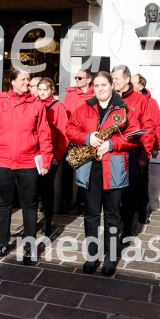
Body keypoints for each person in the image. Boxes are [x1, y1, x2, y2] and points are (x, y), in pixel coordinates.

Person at [68, 71, 144, 276]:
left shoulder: (125, 109)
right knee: (91, 214)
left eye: (104, 84)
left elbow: (134, 136)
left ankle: (110, 259)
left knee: (112, 215)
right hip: (90, 166)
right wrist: (87, 138)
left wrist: (112, 144)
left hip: (114, 166)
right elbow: (70, 129)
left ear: (112, 85)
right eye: (97, 85)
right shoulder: (84, 107)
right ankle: (92, 256)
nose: (100, 89)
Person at [0, 67, 52, 265]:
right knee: (4, 203)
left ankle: (30, 247)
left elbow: (44, 134)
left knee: (29, 205)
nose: (27, 82)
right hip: (3, 160)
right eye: (23, 79)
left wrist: (46, 159)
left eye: (29, 79)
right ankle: (2, 243)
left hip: (28, 162)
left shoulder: (37, 105)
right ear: (12, 81)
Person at [111, 65, 155, 237]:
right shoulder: (110, 97)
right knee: (114, 195)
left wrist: (145, 154)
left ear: (127, 79)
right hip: (113, 153)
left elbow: (148, 128)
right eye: (112, 79)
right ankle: (116, 226)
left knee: (131, 194)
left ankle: (129, 229)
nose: (113, 82)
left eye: (117, 79)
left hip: (133, 154)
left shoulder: (140, 100)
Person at [36, 77, 68, 237]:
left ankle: (47, 221)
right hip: (34, 155)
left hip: (51, 154)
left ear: (51, 91)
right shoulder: (34, 104)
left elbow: (63, 133)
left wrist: (57, 155)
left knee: (47, 188)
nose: (42, 92)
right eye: (40, 89)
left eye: (45, 89)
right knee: (35, 188)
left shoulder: (58, 107)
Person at [60, 69, 93, 214]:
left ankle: (83, 203)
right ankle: (68, 203)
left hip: (87, 137)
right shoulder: (71, 94)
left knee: (85, 172)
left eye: (80, 78)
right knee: (68, 172)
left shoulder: (94, 94)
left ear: (89, 80)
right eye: (76, 77)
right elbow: (66, 113)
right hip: (72, 137)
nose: (77, 80)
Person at [132, 72, 160, 223]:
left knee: (142, 181)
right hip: (129, 147)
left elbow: (156, 125)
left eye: (133, 82)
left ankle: (142, 213)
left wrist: (155, 147)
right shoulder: (127, 99)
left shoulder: (151, 102)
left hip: (144, 147)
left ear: (141, 86)